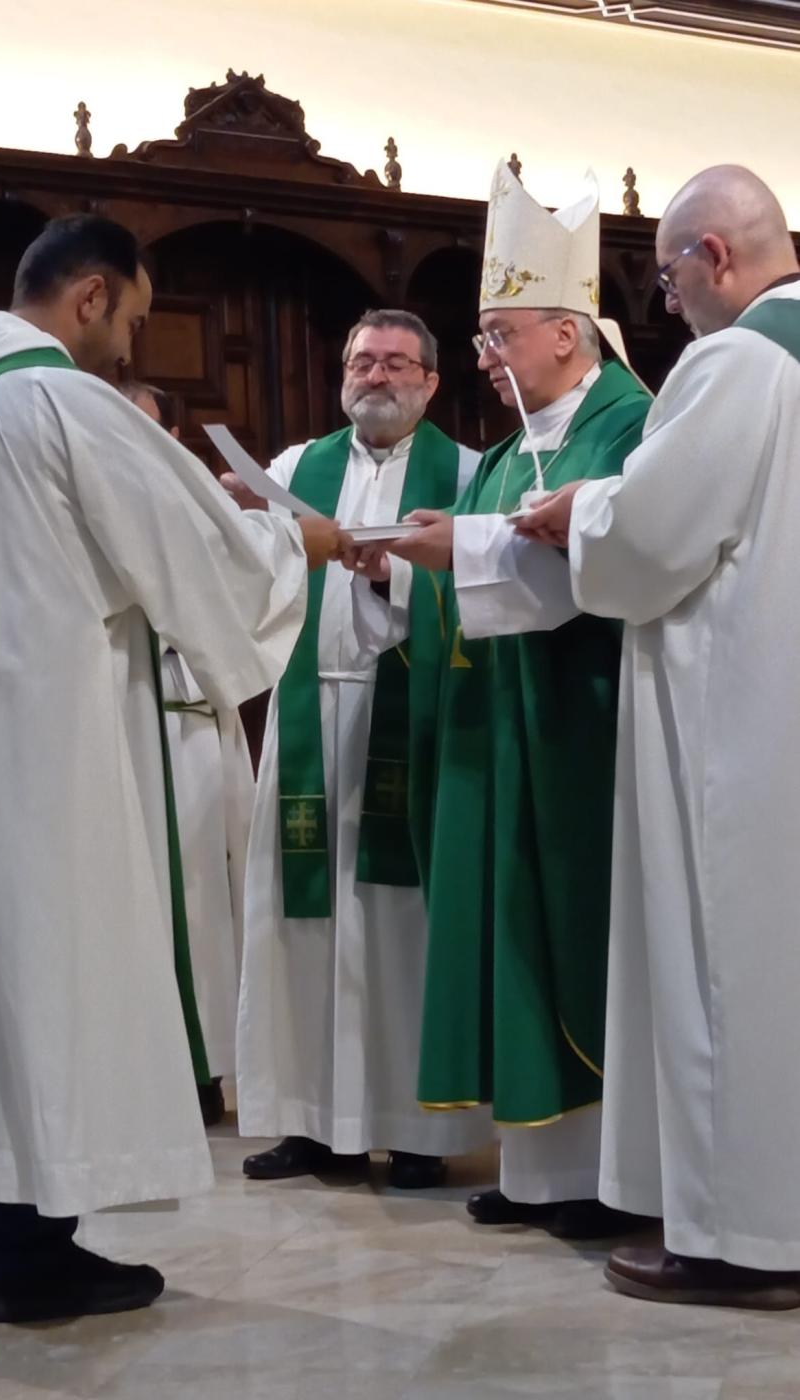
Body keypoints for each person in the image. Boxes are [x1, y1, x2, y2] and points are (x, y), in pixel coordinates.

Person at [0, 215, 342, 1325]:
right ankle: (29, 1256)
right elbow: (191, 551)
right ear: (94, 295)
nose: (130, 349)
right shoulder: (57, 400)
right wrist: (288, 544)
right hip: (41, 750)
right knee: (44, 982)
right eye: (138, 319)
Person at [350, 163, 652, 1238]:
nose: (483, 357)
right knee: (511, 938)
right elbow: (483, 565)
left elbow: (591, 569)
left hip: (582, 727)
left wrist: (458, 547)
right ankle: (538, 1168)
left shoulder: (624, 422)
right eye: (479, 338)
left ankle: (603, 1174)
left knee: (573, 932)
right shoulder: (513, 442)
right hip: (505, 734)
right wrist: (412, 561)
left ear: (567, 334)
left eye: (499, 334)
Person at [516, 165, 800, 1307]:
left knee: (724, 969)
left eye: (670, 271)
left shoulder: (740, 362)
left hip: (735, 724)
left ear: (716, 256)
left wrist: (577, 508)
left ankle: (741, 1238)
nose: (665, 299)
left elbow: (652, 536)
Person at [225, 309, 489, 1189]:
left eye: (394, 363)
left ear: (430, 381)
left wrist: (398, 574)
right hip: (310, 719)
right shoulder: (301, 468)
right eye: (361, 361)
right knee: (298, 924)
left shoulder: (471, 474)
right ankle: (308, 1124)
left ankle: (415, 1130)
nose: (375, 376)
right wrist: (243, 522)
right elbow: (264, 575)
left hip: (411, 718)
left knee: (401, 928)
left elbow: (484, 597)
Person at [121, 380, 255, 1127]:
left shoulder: (201, 507)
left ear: (174, 440)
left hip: (188, 720)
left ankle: (202, 1066)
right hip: (121, 725)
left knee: (202, 896)